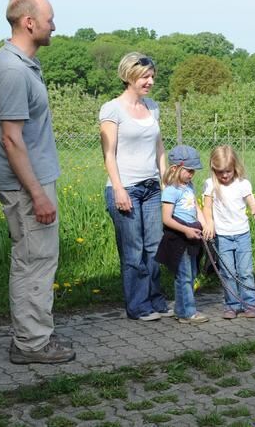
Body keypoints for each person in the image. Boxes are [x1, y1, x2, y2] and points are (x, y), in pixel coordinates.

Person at [0, 0, 74, 364]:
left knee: (33, 259)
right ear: (29, 23)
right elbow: (11, 138)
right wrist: (37, 194)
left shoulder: (19, 64)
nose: (55, 25)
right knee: (34, 261)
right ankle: (32, 344)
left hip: (30, 182)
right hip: (27, 186)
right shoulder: (13, 70)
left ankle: (31, 335)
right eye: (50, 19)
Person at [99, 52, 171, 322]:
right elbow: (108, 153)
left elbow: (159, 146)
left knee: (155, 247)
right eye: (145, 76)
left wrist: (167, 180)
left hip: (152, 186)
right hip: (126, 187)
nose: (150, 81)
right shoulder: (111, 109)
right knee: (133, 250)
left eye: (152, 76)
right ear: (129, 76)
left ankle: (156, 300)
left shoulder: (152, 107)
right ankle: (138, 306)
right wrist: (118, 189)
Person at [202, 145, 255, 320]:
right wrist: (209, 222)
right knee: (228, 273)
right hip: (223, 236)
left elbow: (252, 201)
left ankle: (250, 303)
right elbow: (207, 206)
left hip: (242, 234)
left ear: (234, 167)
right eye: (220, 172)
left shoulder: (243, 184)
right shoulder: (210, 185)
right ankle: (231, 305)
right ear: (214, 169)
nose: (225, 175)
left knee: (245, 271)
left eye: (228, 171)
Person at [158, 145, 209, 324]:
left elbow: (195, 207)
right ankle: (187, 312)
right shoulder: (171, 190)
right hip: (179, 238)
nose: (191, 174)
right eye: (188, 171)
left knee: (191, 273)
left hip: (192, 236)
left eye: (193, 171)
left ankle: (181, 309)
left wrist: (204, 223)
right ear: (175, 168)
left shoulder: (189, 186)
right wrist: (186, 230)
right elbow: (166, 218)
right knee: (184, 276)